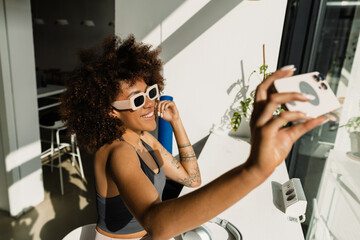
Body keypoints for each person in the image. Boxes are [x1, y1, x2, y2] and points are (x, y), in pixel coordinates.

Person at [60, 35, 327, 240]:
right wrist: (254, 171)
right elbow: (157, 223)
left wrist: (177, 122)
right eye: (138, 99)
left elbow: (192, 178)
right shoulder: (118, 152)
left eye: (151, 92)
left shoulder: (144, 140)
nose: (150, 103)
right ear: (110, 111)